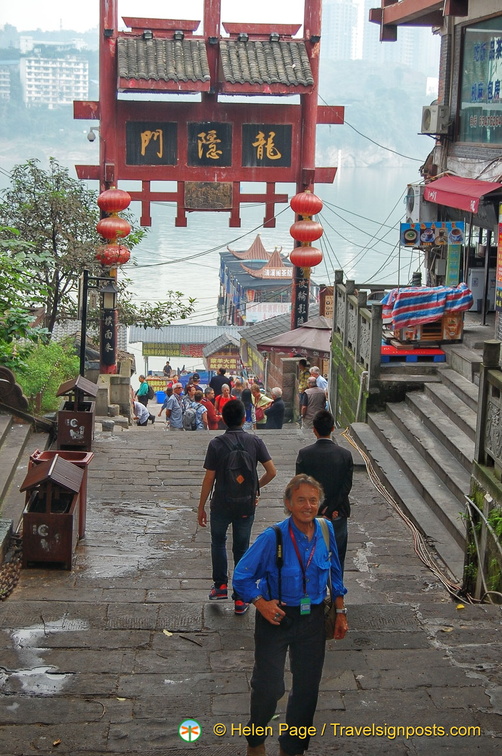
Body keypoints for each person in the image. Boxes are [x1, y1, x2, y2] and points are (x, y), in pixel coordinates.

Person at [233, 474, 348, 756]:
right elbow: (241, 577)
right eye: (300, 500)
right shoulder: (273, 537)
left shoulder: (325, 529)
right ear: (288, 503)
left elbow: (334, 571)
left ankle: (292, 748)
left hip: (313, 619)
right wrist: (261, 603)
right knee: (268, 686)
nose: (307, 506)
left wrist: (341, 611)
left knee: (307, 688)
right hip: (277, 617)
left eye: (312, 500)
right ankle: (256, 739)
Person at [197, 399, 277, 615]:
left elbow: (209, 479)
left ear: (223, 419)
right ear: (244, 418)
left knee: (218, 542)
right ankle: (241, 598)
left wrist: (201, 506)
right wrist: (254, 487)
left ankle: (220, 585)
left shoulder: (216, 444)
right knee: (242, 548)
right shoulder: (255, 442)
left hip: (221, 504)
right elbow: (272, 471)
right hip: (246, 504)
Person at [295, 409, 353, 572]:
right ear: (333, 428)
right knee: (337, 556)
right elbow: (346, 487)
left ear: (314, 429)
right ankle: (336, 594)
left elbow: (300, 486)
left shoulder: (305, 454)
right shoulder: (345, 455)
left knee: (310, 556)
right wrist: (331, 508)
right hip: (337, 513)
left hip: (311, 513)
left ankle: (314, 593)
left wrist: (319, 508)